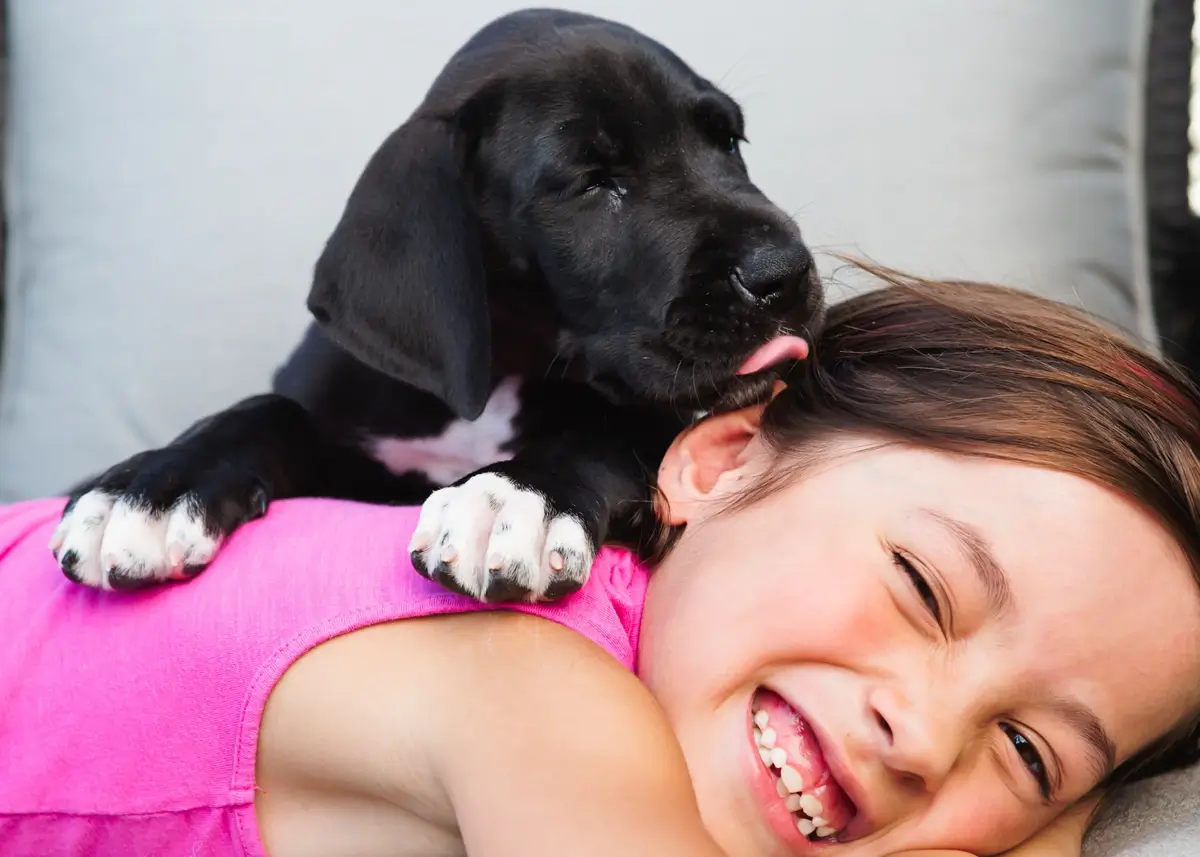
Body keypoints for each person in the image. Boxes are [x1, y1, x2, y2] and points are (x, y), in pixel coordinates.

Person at [3, 262, 1200, 857]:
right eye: (925, 587)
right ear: (721, 458)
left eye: (1031, 750)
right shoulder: (532, 687)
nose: (926, 734)